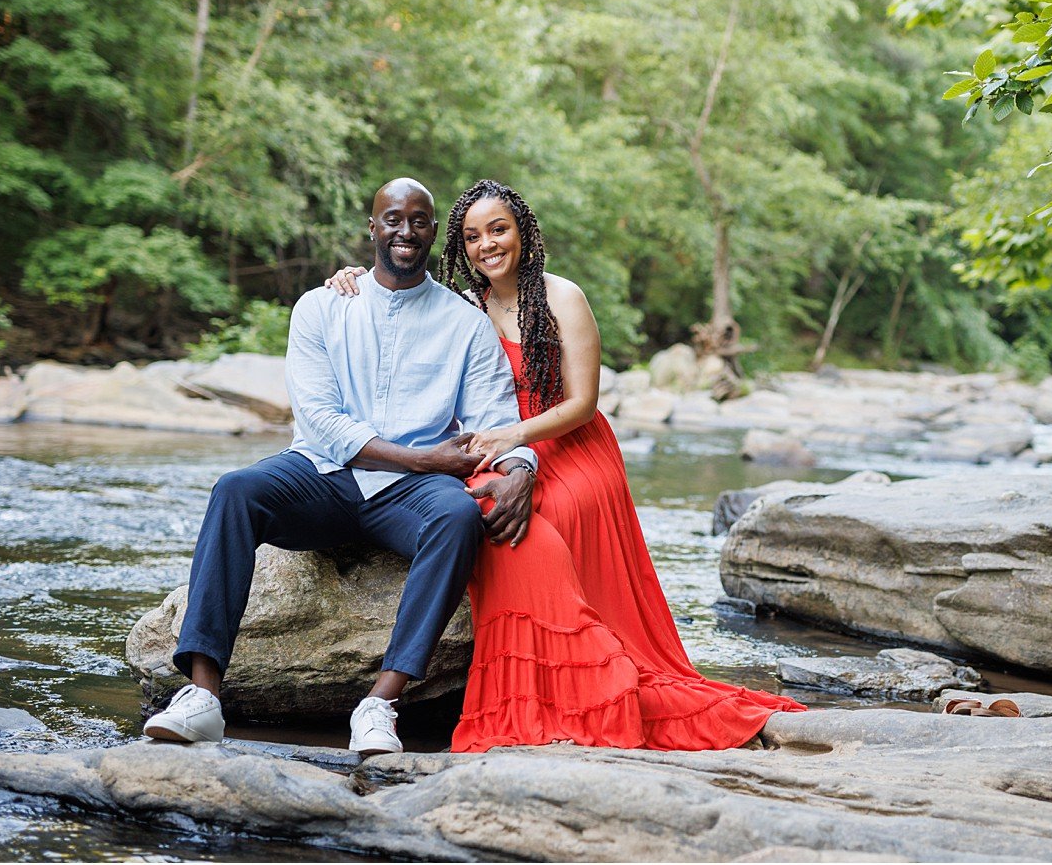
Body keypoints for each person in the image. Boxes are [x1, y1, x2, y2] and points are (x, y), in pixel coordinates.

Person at [326, 179, 805, 751]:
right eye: (473, 237)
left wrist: (510, 435)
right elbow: (398, 294)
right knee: (480, 511)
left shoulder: (562, 297)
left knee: (538, 519)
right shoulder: (461, 307)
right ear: (459, 246)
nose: (487, 246)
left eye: (498, 230)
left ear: (523, 232)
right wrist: (347, 278)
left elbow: (582, 405)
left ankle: (588, 676)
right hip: (502, 450)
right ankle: (532, 692)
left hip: (570, 446)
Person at [144, 178, 539, 756]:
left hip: (413, 494)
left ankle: (380, 704)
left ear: (434, 232)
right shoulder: (323, 305)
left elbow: (494, 417)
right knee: (235, 489)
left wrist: (522, 466)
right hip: (320, 475)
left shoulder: (466, 324)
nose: (405, 232)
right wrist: (424, 456)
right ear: (372, 229)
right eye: (393, 219)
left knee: (457, 516)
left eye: (419, 221)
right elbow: (322, 421)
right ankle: (203, 697)